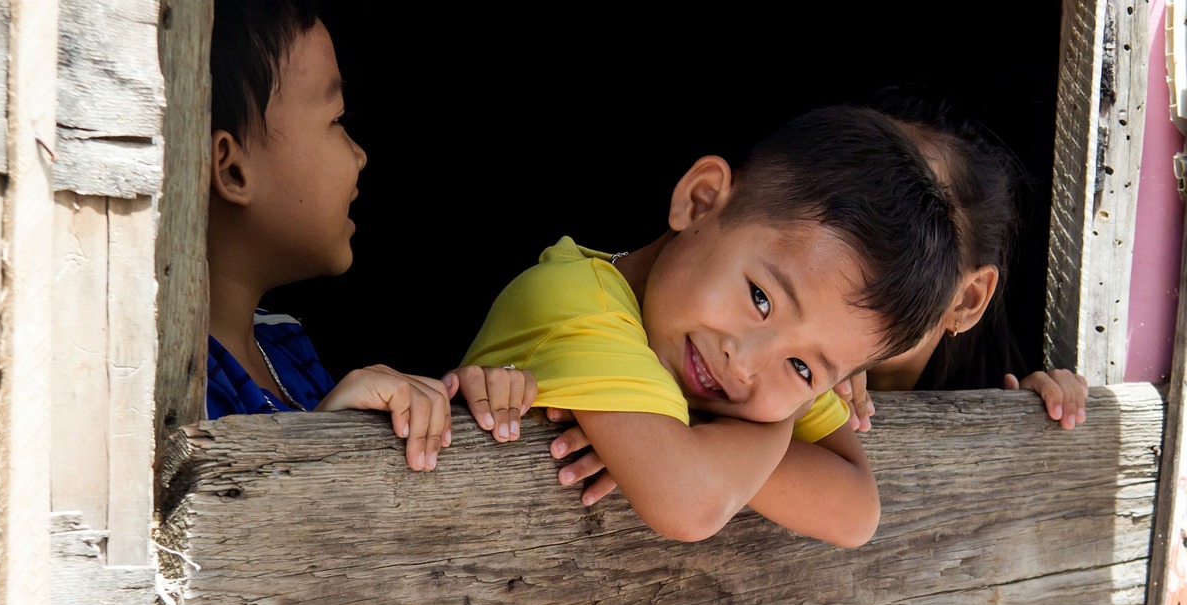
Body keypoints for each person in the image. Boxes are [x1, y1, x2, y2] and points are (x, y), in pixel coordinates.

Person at [456, 104, 963, 546]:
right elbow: (689, 502)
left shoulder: (739, 364)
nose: (744, 364)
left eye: (803, 367)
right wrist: (782, 414)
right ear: (699, 200)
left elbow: (856, 513)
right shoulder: (575, 302)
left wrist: (717, 434)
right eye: (760, 298)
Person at [204, 0, 533, 471]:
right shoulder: (167, 382)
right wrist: (325, 438)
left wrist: (451, 407)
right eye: (336, 120)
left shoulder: (283, 341)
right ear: (232, 170)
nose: (359, 155)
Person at [835, 86, 1089, 433]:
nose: (850, 241)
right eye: (839, 204)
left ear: (968, 299)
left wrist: (1033, 415)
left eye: (907, 224)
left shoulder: (987, 385)